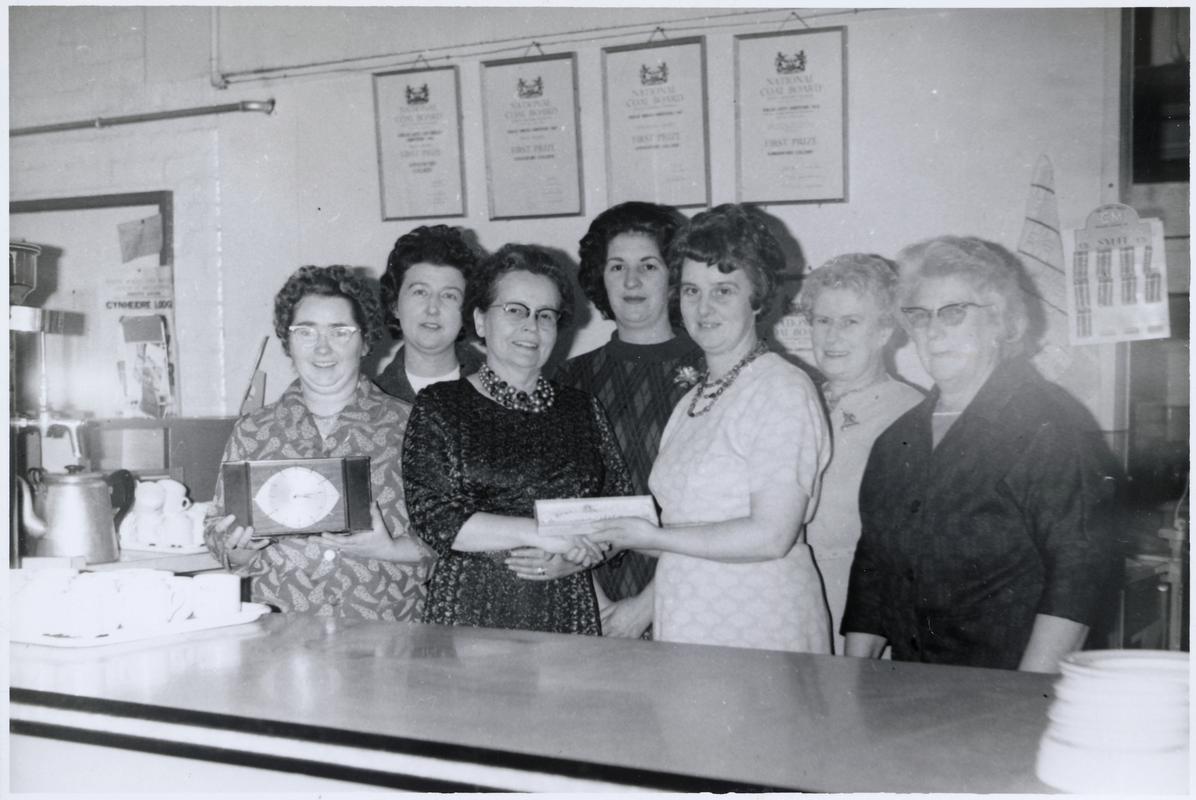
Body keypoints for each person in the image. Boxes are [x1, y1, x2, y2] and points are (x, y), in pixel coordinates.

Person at [842, 236, 1120, 672]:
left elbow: (1078, 575)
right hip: (909, 684)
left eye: (953, 312)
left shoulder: (1050, 425)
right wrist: (853, 680)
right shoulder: (898, 440)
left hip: (1010, 684)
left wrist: (1026, 695)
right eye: (920, 315)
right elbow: (873, 566)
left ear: (999, 322)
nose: (933, 331)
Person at [592, 204, 832, 653]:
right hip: (687, 619)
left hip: (757, 624)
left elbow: (772, 535)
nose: (703, 308)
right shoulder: (694, 399)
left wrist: (653, 537)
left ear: (756, 297)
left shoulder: (780, 388)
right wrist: (613, 535)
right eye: (691, 291)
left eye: (723, 291)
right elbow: (689, 528)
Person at [401, 244, 632, 635]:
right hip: (472, 614)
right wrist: (543, 534)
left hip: (567, 610)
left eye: (545, 315)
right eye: (515, 310)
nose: (531, 326)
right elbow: (434, 519)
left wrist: (579, 559)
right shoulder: (441, 404)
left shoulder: (582, 408)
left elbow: (621, 513)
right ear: (479, 320)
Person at [507, 201, 702, 640]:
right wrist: (601, 606)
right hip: (585, 591)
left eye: (648, 266)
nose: (632, 281)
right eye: (617, 267)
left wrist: (645, 607)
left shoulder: (710, 373)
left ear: (674, 276)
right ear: (601, 276)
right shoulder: (568, 379)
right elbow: (549, 495)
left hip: (685, 589)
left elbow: (718, 511)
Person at [205, 265, 433, 620]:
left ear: (365, 341)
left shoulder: (414, 428)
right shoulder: (252, 431)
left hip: (386, 632)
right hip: (282, 632)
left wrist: (391, 549)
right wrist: (239, 549)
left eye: (340, 331)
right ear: (288, 342)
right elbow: (219, 532)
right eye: (306, 331)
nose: (322, 347)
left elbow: (451, 539)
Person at [796, 254, 924, 654]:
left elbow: (903, 558)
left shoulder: (910, 415)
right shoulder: (795, 400)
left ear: (884, 330)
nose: (832, 336)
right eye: (823, 321)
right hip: (788, 608)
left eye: (850, 322)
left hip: (858, 622)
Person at [375, 224, 484, 402]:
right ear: (394, 305)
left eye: (449, 295)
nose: (433, 308)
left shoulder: (499, 388)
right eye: (420, 292)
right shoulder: (372, 400)